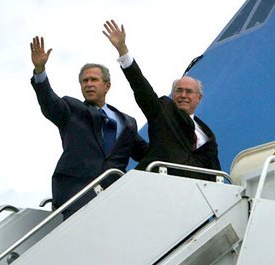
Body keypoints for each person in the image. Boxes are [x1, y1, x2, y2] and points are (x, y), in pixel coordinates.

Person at [30, 36, 148, 218]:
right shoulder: (71, 109)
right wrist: (40, 71)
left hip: (116, 195)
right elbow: (49, 102)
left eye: (94, 80)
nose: (89, 84)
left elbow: (146, 154)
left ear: (107, 85)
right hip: (77, 194)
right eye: (84, 81)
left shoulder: (128, 122)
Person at [102, 20, 221, 181]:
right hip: (159, 184)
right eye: (179, 91)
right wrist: (123, 50)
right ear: (173, 95)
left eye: (189, 91)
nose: (183, 95)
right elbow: (141, 88)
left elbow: (214, 169)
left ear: (199, 98)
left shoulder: (207, 134)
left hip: (195, 193)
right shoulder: (163, 111)